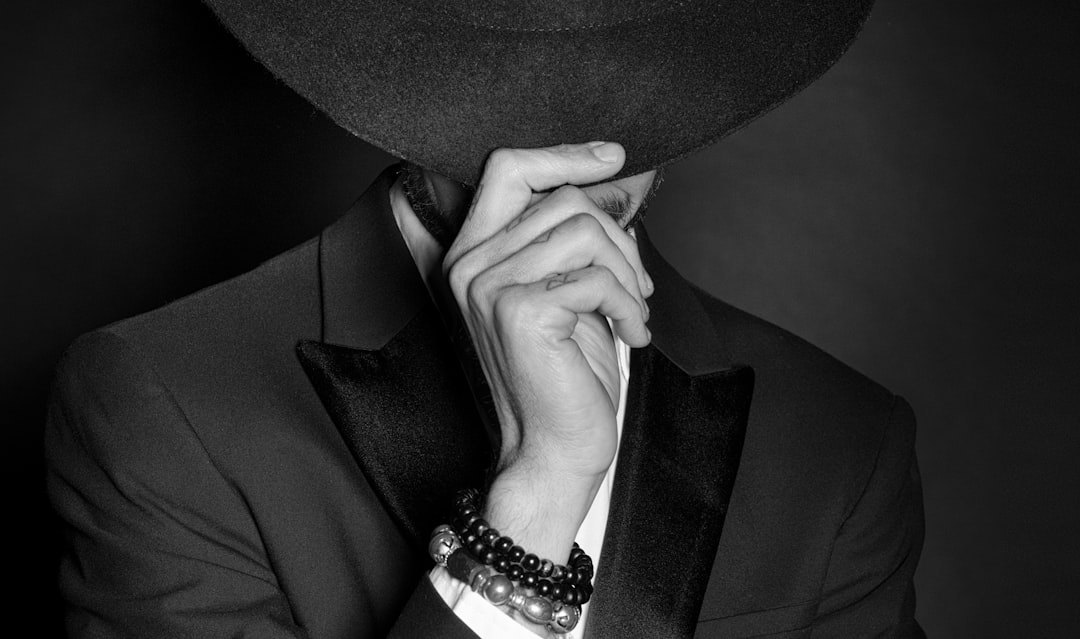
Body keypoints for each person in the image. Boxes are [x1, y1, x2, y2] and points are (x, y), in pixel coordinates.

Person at [45, 0, 925, 637]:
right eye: (501, 78)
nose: (564, 142)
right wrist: (534, 509)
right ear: (396, 87)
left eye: (623, 68)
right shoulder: (163, 402)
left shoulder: (842, 440)